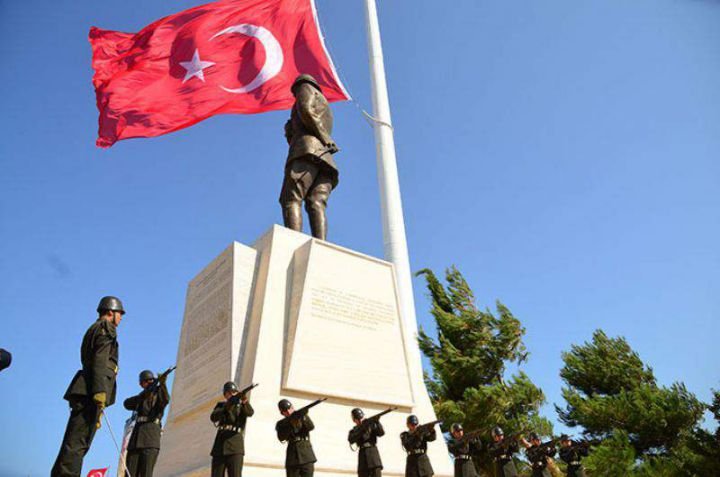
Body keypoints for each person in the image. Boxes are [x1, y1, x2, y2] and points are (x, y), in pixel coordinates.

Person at [51, 296, 124, 477]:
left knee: (75, 443)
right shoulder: (106, 328)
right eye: (119, 313)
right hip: (91, 391)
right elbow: (100, 360)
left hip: (86, 390)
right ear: (110, 312)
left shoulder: (95, 328)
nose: (121, 318)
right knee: (77, 444)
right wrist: (100, 392)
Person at [280, 73, 340, 240]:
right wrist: (291, 131)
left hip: (307, 150)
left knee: (290, 198)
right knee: (316, 202)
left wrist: (325, 138)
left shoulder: (305, 88)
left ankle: (293, 243)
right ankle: (321, 246)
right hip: (326, 159)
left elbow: (306, 110)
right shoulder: (326, 105)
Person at [123, 370, 171, 477]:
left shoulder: (159, 393)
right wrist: (145, 394)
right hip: (136, 440)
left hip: (150, 439)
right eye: (146, 382)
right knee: (129, 473)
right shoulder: (141, 397)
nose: (148, 383)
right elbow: (126, 404)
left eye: (151, 381)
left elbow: (166, 400)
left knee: (146, 473)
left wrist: (163, 384)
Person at [210, 381, 255, 477]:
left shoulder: (241, 406)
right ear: (225, 395)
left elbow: (250, 412)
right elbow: (213, 417)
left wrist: (244, 401)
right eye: (229, 392)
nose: (231, 394)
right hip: (220, 446)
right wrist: (227, 406)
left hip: (235, 445)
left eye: (234, 392)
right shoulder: (221, 405)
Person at [275, 399, 317, 477]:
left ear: (292, 407)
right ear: (282, 413)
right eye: (285, 411)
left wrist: (304, 416)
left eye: (289, 408)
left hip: (306, 456)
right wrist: (291, 424)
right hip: (293, 458)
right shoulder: (281, 423)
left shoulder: (302, 416)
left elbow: (311, 427)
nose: (288, 412)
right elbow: (281, 438)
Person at [348, 407, 385, 477]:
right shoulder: (354, 431)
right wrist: (363, 428)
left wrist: (377, 422)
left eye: (361, 418)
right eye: (358, 419)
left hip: (374, 458)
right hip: (363, 459)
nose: (360, 420)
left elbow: (381, 433)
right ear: (354, 420)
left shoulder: (370, 425)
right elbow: (351, 439)